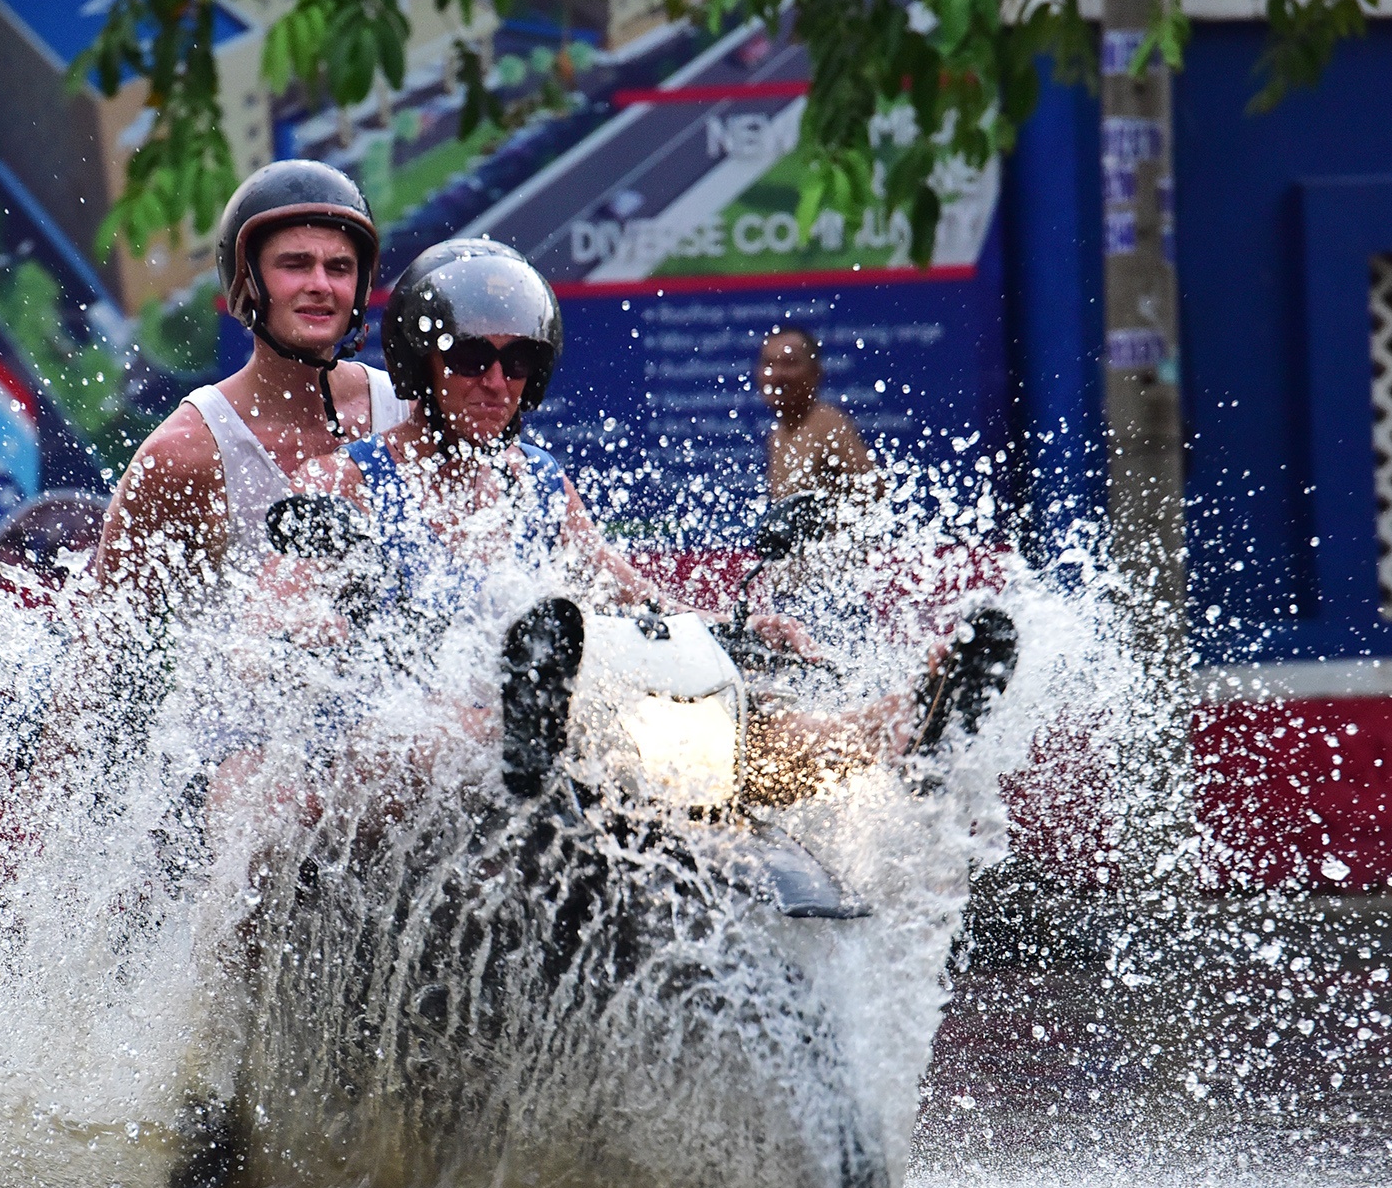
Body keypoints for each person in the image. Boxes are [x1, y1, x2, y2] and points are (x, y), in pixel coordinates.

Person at [290, 242, 916, 802]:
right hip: (411, 766)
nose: (497, 382)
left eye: (518, 362)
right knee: (476, 722)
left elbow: (632, 594)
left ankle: (892, 728)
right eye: (471, 357)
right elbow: (276, 616)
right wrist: (328, 618)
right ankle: (523, 725)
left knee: (722, 714)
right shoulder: (346, 482)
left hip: (560, 744)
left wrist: (730, 632)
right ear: (416, 362)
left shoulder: (537, 482)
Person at [94, 160, 411, 614]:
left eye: (339, 267)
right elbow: (102, 657)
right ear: (247, 282)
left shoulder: (409, 413)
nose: (320, 284)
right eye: (296, 264)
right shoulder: (183, 454)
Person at [756, 326, 882, 502]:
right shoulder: (777, 436)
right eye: (769, 363)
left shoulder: (826, 424)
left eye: (789, 363)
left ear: (815, 372)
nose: (777, 374)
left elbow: (876, 489)